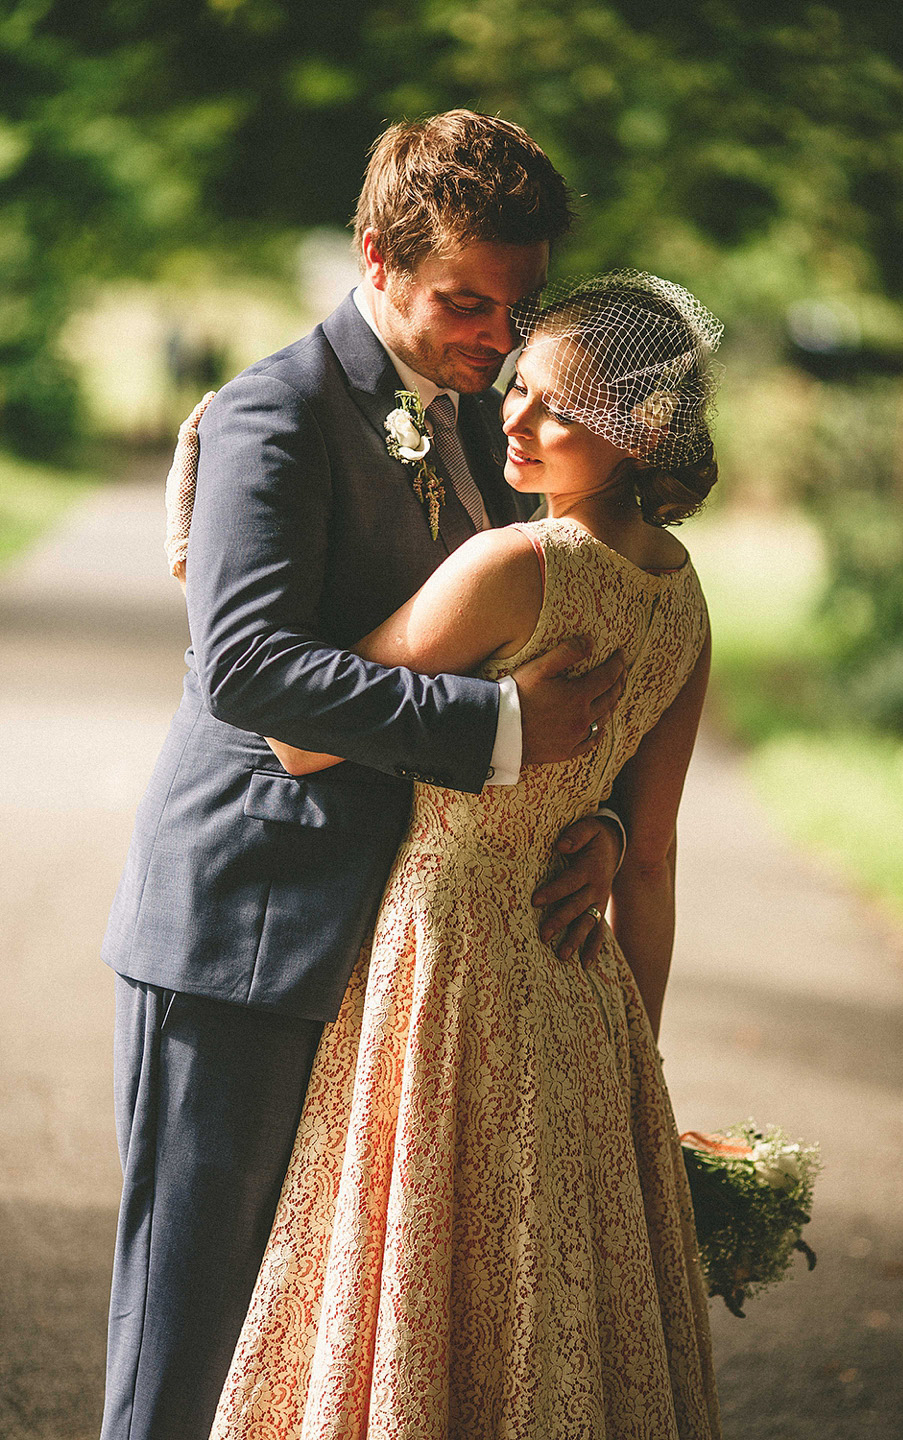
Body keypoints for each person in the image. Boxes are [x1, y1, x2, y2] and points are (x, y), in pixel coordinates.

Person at [99, 112, 628, 1440]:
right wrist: (498, 730)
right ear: (376, 256)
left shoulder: (480, 426)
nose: (500, 336)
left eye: (521, 305)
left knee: (304, 1355)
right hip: (247, 934)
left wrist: (599, 820)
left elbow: (543, 627)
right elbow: (251, 667)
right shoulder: (273, 413)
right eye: (467, 300)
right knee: (188, 1340)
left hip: (399, 963)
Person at [198, 271, 724, 1437]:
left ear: (638, 429)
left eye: (556, 410)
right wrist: (638, 1068)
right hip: (580, 990)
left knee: (422, 1277)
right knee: (549, 1296)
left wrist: (205, 547)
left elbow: (301, 729)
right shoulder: (683, 601)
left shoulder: (516, 566)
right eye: (519, 391)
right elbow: (648, 857)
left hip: (447, 965)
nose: (517, 423)